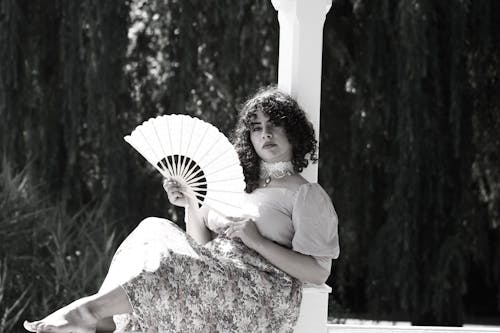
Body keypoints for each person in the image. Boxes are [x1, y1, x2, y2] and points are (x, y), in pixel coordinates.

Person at [23, 86, 340, 333]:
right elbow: (200, 244)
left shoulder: (306, 194)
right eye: (256, 128)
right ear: (249, 137)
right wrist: (190, 201)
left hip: (258, 291)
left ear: (294, 132)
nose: (266, 134)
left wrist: (257, 241)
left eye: (275, 125)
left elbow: (318, 271)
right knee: (152, 228)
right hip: (216, 274)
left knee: (168, 256)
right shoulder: (243, 188)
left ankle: (89, 313)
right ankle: (101, 321)